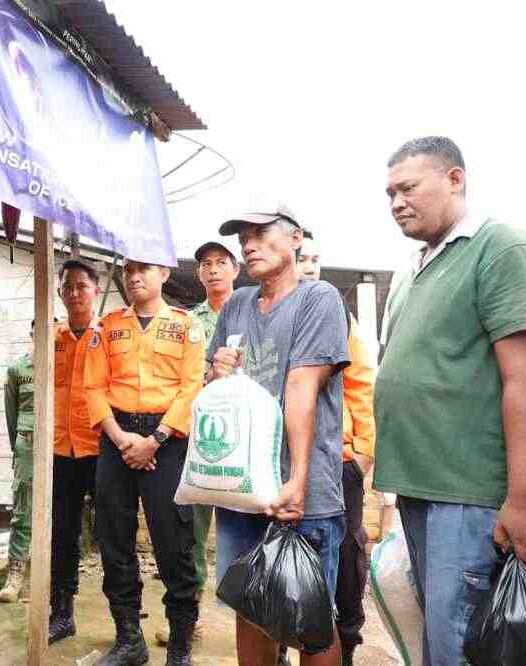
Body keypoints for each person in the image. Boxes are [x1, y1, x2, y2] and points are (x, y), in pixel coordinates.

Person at [375, 136, 526, 665]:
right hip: (421, 486)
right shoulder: (417, 266)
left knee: (460, 644)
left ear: (455, 179)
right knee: (442, 639)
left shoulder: (502, 248)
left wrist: (523, 498)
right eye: (389, 194)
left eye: (407, 188)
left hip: (472, 494)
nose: (396, 203)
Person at [206, 204, 350, 666]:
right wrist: (218, 371)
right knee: (250, 609)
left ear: (295, 239)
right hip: (241, 489)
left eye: (261, 232)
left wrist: (299, 480)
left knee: (311, 617)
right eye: (243, 236)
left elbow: (302, 385)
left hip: (300, 490)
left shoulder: (319, 299)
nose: (248, 244)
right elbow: (214, 386)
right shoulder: (238, 304)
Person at [85, 258, 205, 666]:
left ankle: (180, 648)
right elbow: (93, 388)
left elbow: (191, 388)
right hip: (116, 438)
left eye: (146, 268)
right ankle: (129, 641)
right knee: (115, 539)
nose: (135, 276)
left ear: (165, 274)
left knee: (174, 543)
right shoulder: (108, 326)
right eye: (129, 269)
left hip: (166, 440)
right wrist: (122, 440)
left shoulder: (187, 326)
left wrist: (154, 440)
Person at [297, 229, 377, 666]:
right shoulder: (276, 311)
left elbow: (363, 385)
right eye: (301, 258)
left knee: (346, 554)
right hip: (289, 460)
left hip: (339, 460)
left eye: (314, 258)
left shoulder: (340, 316)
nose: (309, 266)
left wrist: (362, 450)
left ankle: (345, 643)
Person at [155, 240, 240, 648]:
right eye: (205, 264)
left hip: (246, 437)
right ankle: (191, 617)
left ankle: (258, 621)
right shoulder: (190, 322)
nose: (212, 270)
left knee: (250, 531)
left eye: (221, 263)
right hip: (201, 436)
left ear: (235, 270)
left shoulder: (254, 310)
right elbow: (180, 378)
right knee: (191, 530)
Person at [48, 259, 103, 644]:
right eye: (67, 287)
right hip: (59, 451)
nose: (74, 293)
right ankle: (61, 612)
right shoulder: (52, 338)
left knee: (114, 535)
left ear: (96, 290)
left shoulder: (109, 335)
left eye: (81, 286)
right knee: (62, 535)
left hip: (102, 448)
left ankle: (126, 621)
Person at [0, 320, 37, 602]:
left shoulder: (65, 365)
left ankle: (56, 576)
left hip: (61, 446)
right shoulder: (18, 369)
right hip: (27, 443)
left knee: (62, 512)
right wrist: (18, 448)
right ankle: (15, 573)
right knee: (22, 511)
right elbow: (10, 414)